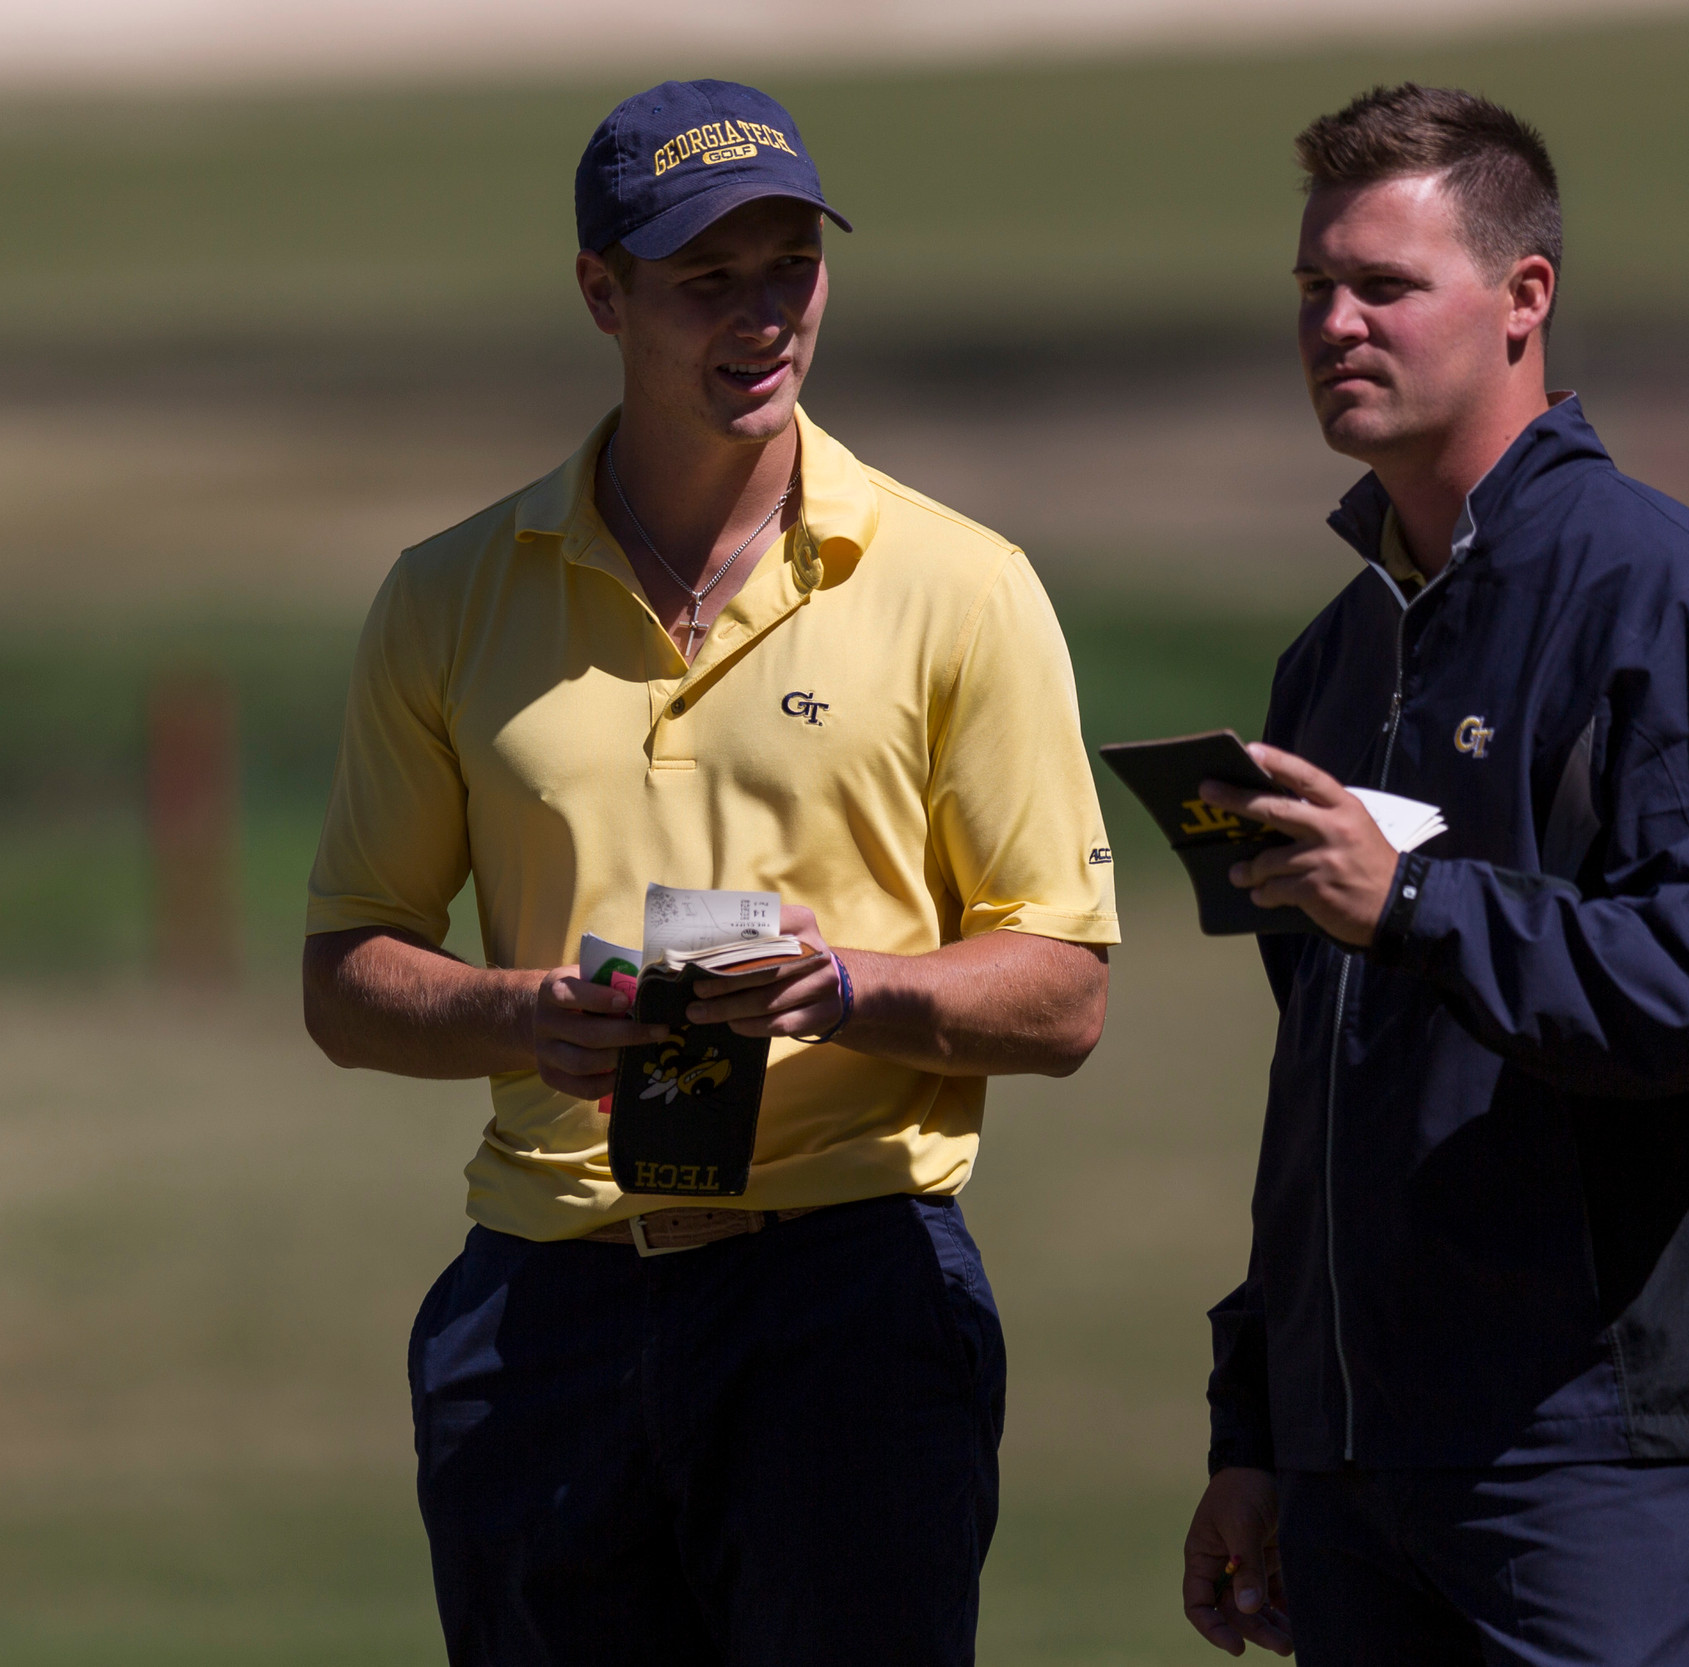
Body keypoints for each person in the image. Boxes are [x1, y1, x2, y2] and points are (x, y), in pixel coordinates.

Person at [300, 78, 1118, 1667]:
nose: (764, 322)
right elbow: (349, 979)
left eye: (793, 269)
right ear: (602, 295)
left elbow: (1067, 989)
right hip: (540, 1305)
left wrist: (847, 986)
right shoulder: (447, 597)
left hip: (854, 1292)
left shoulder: (964, 586)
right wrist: (519, 1014)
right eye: (707, 283)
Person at [1179, 84, 1689, 1664]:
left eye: (1385, 286)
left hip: (1594, 1449)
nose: (1336, 324)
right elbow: (1323, 1092)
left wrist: (1415, 904)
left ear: (1524, 298)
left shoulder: (1673, 601)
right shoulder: (1330, 661)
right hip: (1359, 1463)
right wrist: (1261, 1423)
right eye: (1313, 288)